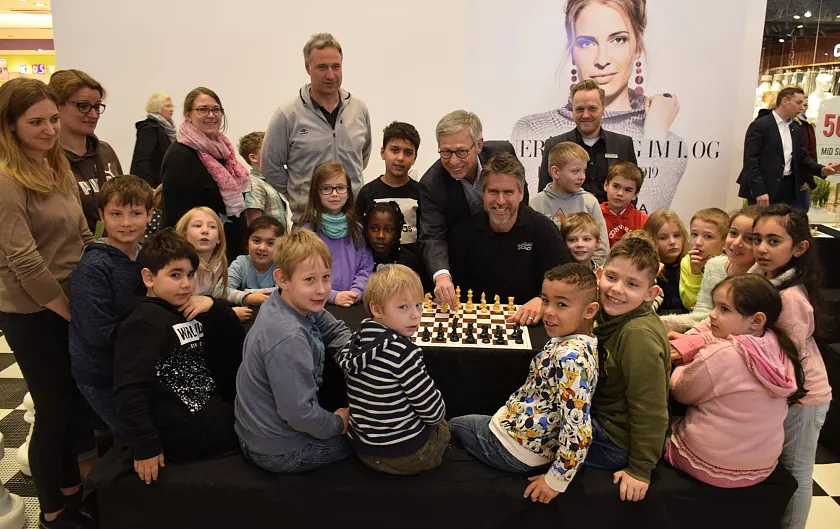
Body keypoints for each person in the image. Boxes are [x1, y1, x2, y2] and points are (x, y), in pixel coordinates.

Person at [0, 77, 96, 528]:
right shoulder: (6, 178)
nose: (49, 129)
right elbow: (24, 260)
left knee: (73, 405)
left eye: (53, 119)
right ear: (11, 125)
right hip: (34, 311)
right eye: (35, 122)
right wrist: (67, 310)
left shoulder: (54, 166)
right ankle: (53, 513)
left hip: (68, 301)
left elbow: (80, 234)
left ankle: (73, 494)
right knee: (52, 411)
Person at [512, 0, 686, 212]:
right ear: (572, 50)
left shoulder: (644, 139)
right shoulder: (535, 129)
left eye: (618, 39)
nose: (602, 60)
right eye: (586, 43)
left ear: (638, 44)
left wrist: (656, 132)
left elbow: (643, 211)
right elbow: (542, 205)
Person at [450, 263, 600, 503]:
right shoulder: (575, 341)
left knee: (452, 425)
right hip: (526, 434)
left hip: (517, 449)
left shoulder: (570, 357)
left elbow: (579, 430)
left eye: (561, 304)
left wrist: (556, 481)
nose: (549, 311)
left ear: (590, 311)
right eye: (545, 300)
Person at [113, 229, 244, 485]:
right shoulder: (143, 320)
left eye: (190, 275)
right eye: (175, 275)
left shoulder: (184, 310)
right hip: (181, 438)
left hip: (213, 423)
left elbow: (233, 345)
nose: (186, 284)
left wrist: (214, 306)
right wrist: (145, 445)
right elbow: (129, 388)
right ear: (149, 277)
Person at [666, 274, 804, 488]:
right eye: (715, 306)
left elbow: (681, 391)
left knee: (657, 430)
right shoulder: (779, 346)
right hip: (761, 468)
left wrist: (683, 365)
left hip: (710, 465)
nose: (712, 315)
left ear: (756, 320)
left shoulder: (722, 354)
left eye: (724, 309)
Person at [235, 229, 354, 473]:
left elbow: (335, 331)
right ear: (282, 279)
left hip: (264, 432)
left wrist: (358, 361)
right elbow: (298, 414)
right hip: (279, 449)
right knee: (379, 437)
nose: (322, 290)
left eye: (326, 277)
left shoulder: (290, 301)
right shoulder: (288, 336)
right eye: (309, 279)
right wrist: (338, 423)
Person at [750, 205, 832, 529]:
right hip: (785, 393)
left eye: (773, 241)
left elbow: (790, 360)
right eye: (757, 239)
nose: (761, 249)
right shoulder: (761, 279)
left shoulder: (791, 298)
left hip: (804, 396)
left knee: (797, 470)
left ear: (799, 248)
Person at [336, 264, 448, 475]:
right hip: (404, 456)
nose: (415, 315)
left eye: (418, 305)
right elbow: (433, 412)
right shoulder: (403, 353)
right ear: (377, 309)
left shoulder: (356, 340)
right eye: (403, 307)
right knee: (443, 427)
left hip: (363, 450)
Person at [69, 175, 154, 437]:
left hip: (133, 367)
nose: (126, 223)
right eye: (116, 214)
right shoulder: (94, 267)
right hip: (102, 372)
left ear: (150, 215)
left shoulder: (147, 255)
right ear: (101, 216)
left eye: (136, 213)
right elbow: (98, 333)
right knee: (136, 436)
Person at [587, 237, 670, 502]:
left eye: (632, 284)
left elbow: (651, 409)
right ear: (599, 275)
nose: (617, 290)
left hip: (615, 441)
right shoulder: (615, 314)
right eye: (611, 277)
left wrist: (640, 469)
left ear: (651, 294)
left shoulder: (637, 336)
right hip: (602, 419)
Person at [419, 110, 526, 310]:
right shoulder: (431, 184)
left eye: (461, 151)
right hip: (465, 259)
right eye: (445, 152)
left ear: (478, 145)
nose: (453, 161)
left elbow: (520, 197)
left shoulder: (503, 153)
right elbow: (433, 236)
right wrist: (442, 276)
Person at [448, 153, 570, 325]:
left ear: (521, 193)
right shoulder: (463, 232)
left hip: (528, 324)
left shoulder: (544, 230)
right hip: (473, 323)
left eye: (508, 192)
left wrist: (543, 301)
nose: (500, 201)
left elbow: (565, 284)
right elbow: (454, 287)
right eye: (493, 191)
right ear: (483, 193)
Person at [262, 32, 372, 220]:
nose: (331, 75)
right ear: (308, 68)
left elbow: (362, 158)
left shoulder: (358, 109)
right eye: (322, 67)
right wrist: (300, 195)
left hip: (352, 220)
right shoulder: (288, 115)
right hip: (308, 222)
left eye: (336, 66)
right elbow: (270, 166)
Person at [161, 87, 251, 263]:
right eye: (202, 109)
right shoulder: (180, 155)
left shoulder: (223, 152)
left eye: (216, 109)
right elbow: (177, 215)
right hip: (196, 257)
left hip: (225, 251)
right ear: (188, 114)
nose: (211, 115)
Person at [661, 205, 761, 333]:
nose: (736, 243)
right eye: (734, 233)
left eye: (749, 238)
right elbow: (701, 314)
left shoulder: (762, 278)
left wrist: (690, 341)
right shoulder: (714, 265)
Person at [535, 80, 637, 203]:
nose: (586, 115)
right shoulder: (554, 146)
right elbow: (545, 194)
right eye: (579, 109)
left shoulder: (623, 145)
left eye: (592, 108)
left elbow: (631, 191)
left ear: (603, 110)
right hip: (568, 218)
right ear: (572, 111)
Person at [49, 69, 124, 235]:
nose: (93, 114)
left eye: (97, 107)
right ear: (56, 106)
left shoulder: (105, 152)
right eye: (83, 106)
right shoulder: (45, 159)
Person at [738, 86, 839, 206]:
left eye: (803, 104)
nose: (802, 108)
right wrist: (759, 191)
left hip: (787, 189)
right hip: (765, 189)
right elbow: (751, 161)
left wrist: (822, 170)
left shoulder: (795, 128)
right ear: (785, 101)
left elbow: (802, 157)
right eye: (798, 103)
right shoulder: (760, 126)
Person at [301, 161, 373, 307]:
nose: (334, 194)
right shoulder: (307, 233)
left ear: (348, 193)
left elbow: (365, 268)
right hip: (317, 306)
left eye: (340, 188)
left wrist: (356, 292)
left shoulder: (357, 230)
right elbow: (303, 275)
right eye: (326, 188)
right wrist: (332, 296)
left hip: (352, 301)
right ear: (316, 193)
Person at [531, 141, 609, 264]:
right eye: (575, 171)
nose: (582, 176)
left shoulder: (589, 202)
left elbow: (601, 246)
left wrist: (594, 273)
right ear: (555, 172)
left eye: (584, 171)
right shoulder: (535, 203)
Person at [174, 207, 252, 322]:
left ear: (219, 238)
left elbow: (215, 298)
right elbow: (185, 309)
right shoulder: (179, 265)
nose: (205, 231)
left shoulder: (219, 264)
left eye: (212, 227)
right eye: (197, 226)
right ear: (183, 234)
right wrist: (228, 315)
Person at [355, 121, 422, 253]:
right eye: (395, 150)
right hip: (375, 268)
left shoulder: (421, 193)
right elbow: (359, 237)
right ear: (382, 152)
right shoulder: (367, 193)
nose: (400, 158)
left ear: (415, 158)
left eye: (408, 153)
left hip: (413, 268)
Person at [363, 201, 433, 294]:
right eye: (374, 229)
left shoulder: (410, 261)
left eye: (388, 230)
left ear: (397, 232)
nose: (380, 235)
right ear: (366, 230)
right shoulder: (358, 258)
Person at [239, 131, 292, 230]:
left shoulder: (272, 182)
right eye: (269, 148)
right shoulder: (254, 184)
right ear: (253, 157)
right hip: (268, 242)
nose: (275, 151)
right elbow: (254, 224)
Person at [227, 216, 283, 307]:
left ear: (281, 247)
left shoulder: (282, 266)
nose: (262, 248)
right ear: (247, 244)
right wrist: (247, 298)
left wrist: (248, 292)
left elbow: (284, 292)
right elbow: (221, 291)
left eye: (270, 243)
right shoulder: (241, 263)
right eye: (256, 241)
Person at [679, 208, 728, 311]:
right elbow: (689, 304)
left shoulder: (727, 265)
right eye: (694, 234)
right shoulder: (687, 261)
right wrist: (695, 272)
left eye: (708, 236)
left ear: (724, 243)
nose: (698, 242)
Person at [644, 210, 689, 314]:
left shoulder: (693, 266)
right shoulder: (647, 270)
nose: (672, 242)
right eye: (663, 238)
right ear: (651, 240)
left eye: (677, 235)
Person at [130, 92, 176, 188]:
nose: (172, 109)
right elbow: (142, 160)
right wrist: (147, 188)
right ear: (157, 108)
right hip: (152, 186)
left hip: (165, 183)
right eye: (168, 106)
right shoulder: (149, 128)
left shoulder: (166, 129)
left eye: (172, 106)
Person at [600, 161, 648, 247]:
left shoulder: (643, 220)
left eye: (628, 190)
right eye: (616, 186)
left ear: (635, 194)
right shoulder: (594, 214)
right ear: (606, 185)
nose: (620, 193)